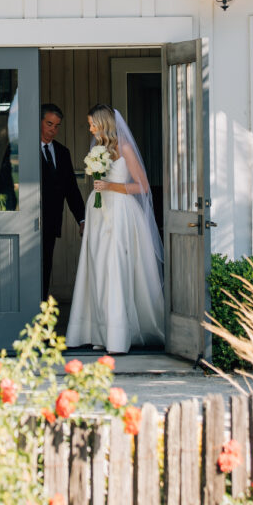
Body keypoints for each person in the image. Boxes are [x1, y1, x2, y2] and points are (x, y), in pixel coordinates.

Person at [66, 104, 165, 354]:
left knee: (115, 267)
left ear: (104, 124)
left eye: (92, 124)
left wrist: (111, 187)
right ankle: (100, 331)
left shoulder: (125, 148)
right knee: (97, 268)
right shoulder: (98, 149)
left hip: (120, 213)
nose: (89, 129)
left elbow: (142, 186)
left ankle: (119, 335)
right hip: (98, 212)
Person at [40, 103, 86, 299]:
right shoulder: (20, 148)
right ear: (39, 121)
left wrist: (82, 219)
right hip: (24, 222)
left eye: (57, 125)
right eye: (49, 123)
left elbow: (71, 190)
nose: (53, 129)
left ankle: (40, 315)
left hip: (50, 222)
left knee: (45, 267)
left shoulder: (62, 152)